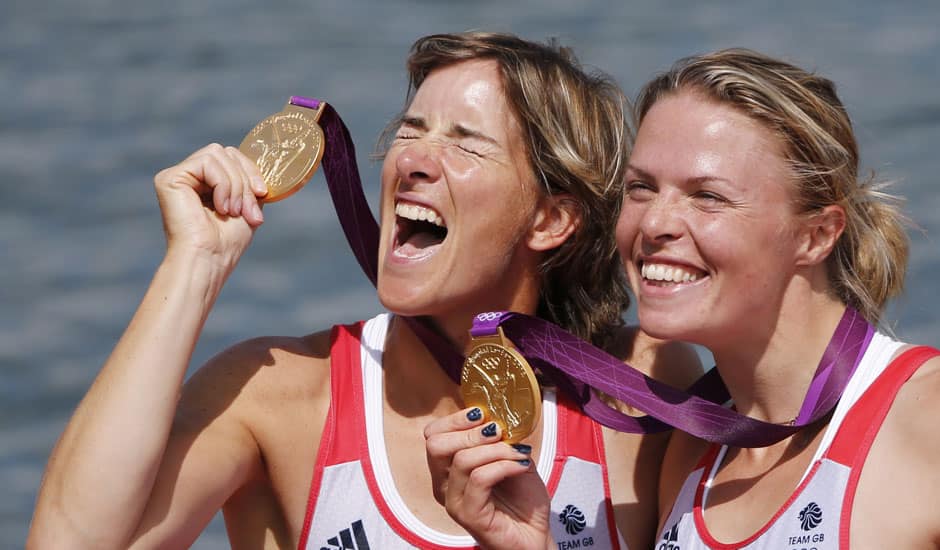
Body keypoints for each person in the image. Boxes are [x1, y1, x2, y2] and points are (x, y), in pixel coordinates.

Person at [27, 32, 701, 549]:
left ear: (551, 218)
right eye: (410, 131)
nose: (411, 160)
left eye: (464, 144)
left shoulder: (633, 390)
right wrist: (193, 264)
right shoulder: (279, 395)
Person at [428, 48, 939, 549]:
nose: (654, 223)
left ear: (816, 235)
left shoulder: (922, 415)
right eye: (642, 188)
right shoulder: (693, 447)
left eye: (707, 196)